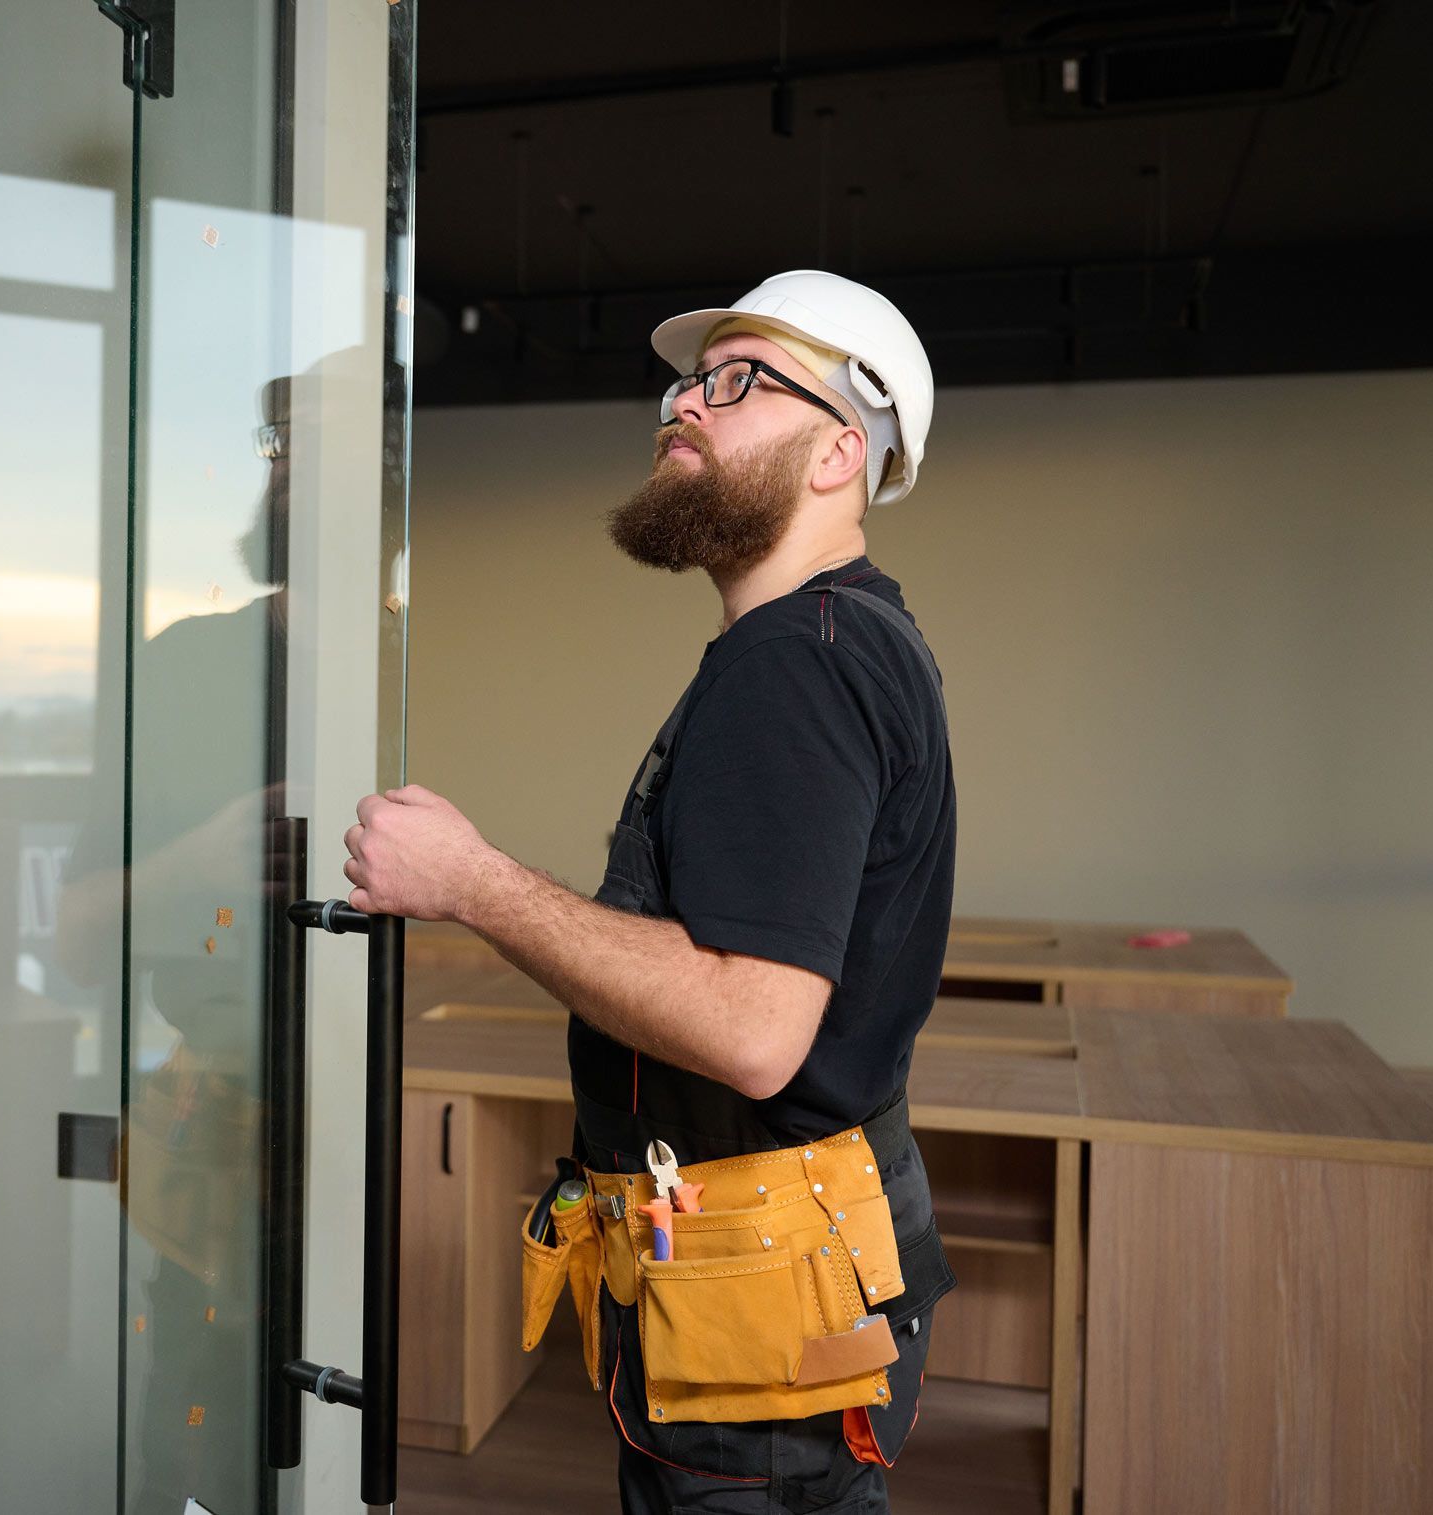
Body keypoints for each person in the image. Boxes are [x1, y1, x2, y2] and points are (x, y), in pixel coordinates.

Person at [342, 270, 957, 1513]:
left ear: (842, 451)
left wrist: (472, 880)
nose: (684, 407)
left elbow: (750, 1029)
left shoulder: (796, 665)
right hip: (794, 1250)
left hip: (764, 1278)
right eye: (687, 381)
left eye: (738, 382)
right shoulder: (848, 641)